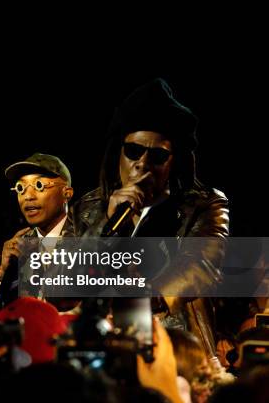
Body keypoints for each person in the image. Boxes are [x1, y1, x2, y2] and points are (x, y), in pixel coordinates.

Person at [68, 78, 229, 357]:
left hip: (174, 350)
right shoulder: (88, 208)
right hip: (103, 354)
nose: (142, 163)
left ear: (173, 161)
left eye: (157, 155)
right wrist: (106, 228)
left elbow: (195, 269)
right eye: (133, 151)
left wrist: (124, 303)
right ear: (118, 153)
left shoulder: (204, 204)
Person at [0, 153, 74, 308]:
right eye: (21, 188)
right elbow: (4, 315)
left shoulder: (88, 238)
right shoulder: (20, 248)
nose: (28, 196)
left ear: (67, 193)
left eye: (39, 185)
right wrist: (5, 273)